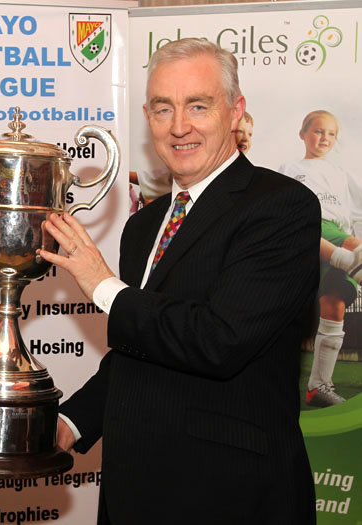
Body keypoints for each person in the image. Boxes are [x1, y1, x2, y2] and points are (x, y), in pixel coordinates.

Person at [38, 38, 319, 524]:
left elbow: (218, 340)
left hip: (230, 497)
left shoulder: (281, 207)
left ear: (235, 111)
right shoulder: (143, 226)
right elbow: (142, 350)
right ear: (147, 117)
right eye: (163, 109)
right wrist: (70, 421)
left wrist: (104, 286)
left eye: (198, 106)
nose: (179, 126)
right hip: (135, 492)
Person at [280, 110, 362, 407]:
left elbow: (355, 213)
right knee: (349, 245)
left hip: (336, 233)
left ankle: (317, 387)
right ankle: (352, 260)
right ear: (302, 133)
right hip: (311, 228)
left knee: (334, 304)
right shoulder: (290, 167)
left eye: (330, 134)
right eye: (317, 131)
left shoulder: (342, 174)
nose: (324, 138)